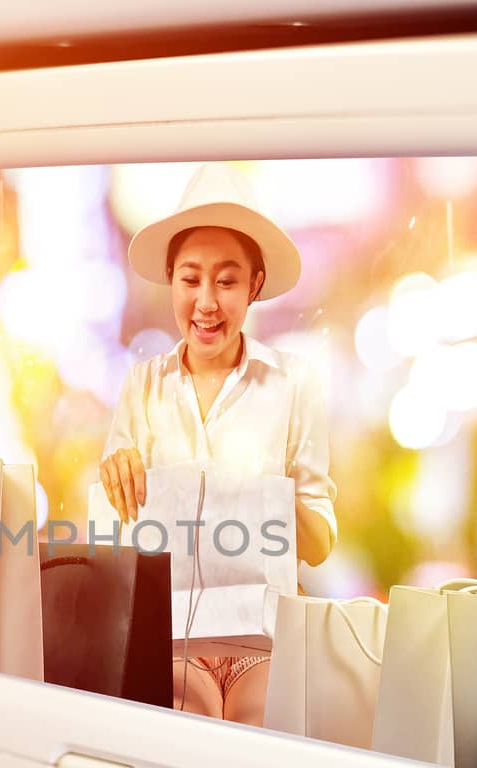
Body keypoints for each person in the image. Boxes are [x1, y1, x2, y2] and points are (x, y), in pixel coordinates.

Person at [99, 162, 336, 726]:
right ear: (171, 281)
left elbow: (322, 541)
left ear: (254, 285)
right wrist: (118, 477)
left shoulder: (292, 384)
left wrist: (258, 498)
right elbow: (118, 536)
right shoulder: (142, 386)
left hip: (266, 646)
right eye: (190, 279)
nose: (206, 301)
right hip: (168, 641)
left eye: (227, 281)